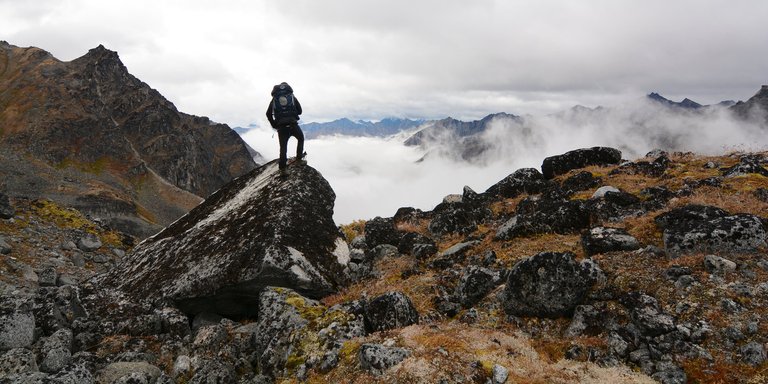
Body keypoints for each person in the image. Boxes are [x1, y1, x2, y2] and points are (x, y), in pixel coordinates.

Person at [266, 82, 305, 171]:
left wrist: (274, 124)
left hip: (282, 127)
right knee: (300, 139)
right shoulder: (291, 97)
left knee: (283, 148)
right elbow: (300, 111)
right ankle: (299, 160)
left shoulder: (274, 99)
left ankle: (283, 169)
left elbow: (268, 114)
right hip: (293, 124)